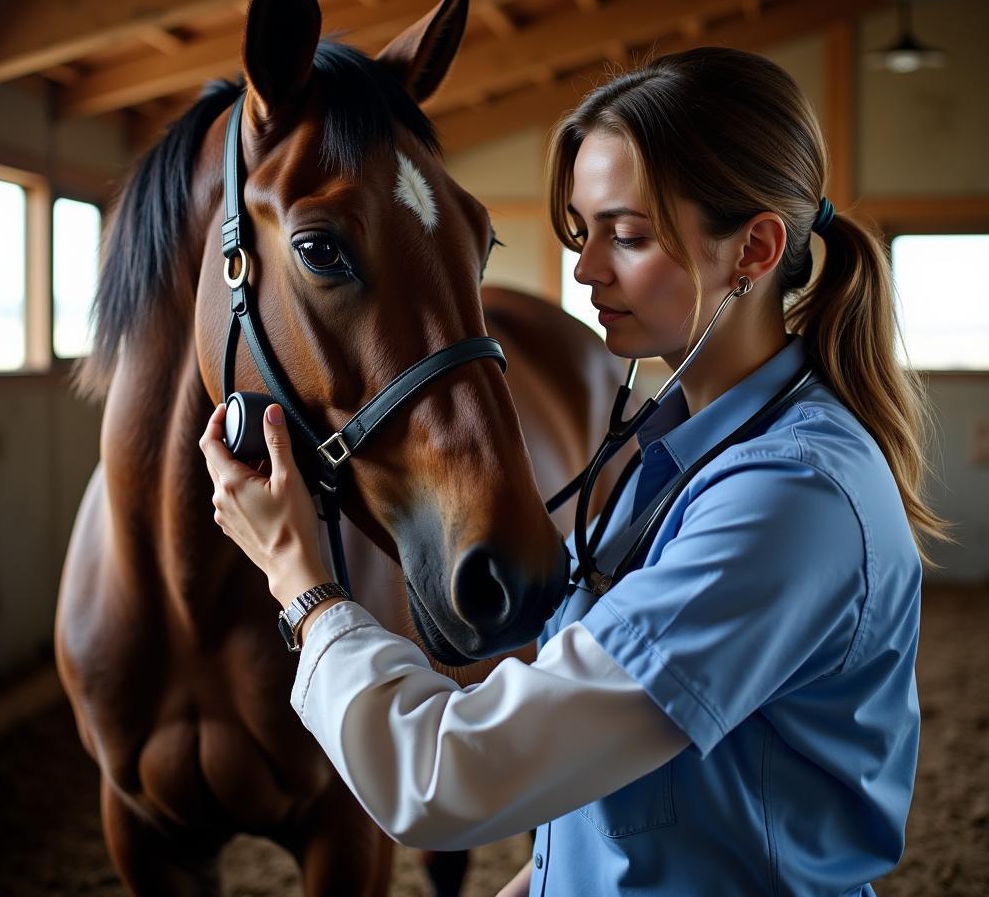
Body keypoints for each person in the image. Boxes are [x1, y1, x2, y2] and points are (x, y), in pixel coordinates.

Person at [200, 47, 945, 896]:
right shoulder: (679, 456)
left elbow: (447, 780)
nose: (587, 270)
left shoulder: (788, 499)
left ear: (753, 249)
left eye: (626, 236)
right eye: (581, 234)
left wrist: (302, 581)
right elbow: (626, 767)